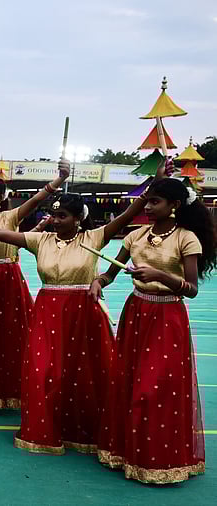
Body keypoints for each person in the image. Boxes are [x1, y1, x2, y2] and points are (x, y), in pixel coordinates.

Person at [0, 159, 163, 453]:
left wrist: (154, 185)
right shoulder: (41, 240)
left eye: (61, 215)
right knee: (42, 370)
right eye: (53, 214)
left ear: (77, 218)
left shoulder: (94, 237)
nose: (54, 219)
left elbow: (127, 215)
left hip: (83, 314)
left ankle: (81, 432)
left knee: (83, 375)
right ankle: (41, 430)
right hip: (47, 313)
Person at [90, 177, 214, 484]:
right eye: (147, 200)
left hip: (167, 315)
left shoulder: (187, 239)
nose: (147, 206)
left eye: (155, 201)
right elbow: (111, 271)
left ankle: (159, 460)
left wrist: (159, 274)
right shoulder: (135, 235)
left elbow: (192, 289)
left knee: (154, 387)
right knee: (129, 383)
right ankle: (127, 454)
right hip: (136, 312)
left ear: (174, 205)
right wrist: (98, 282)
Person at [0, 160, 70, 414]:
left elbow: (38, 199)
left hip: (7, 281)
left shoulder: (11, 216)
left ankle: (13, 392)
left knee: (9, 335)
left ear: (0, 198)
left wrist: (60, 179)